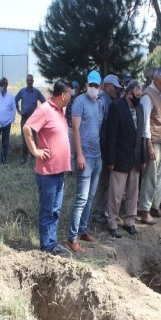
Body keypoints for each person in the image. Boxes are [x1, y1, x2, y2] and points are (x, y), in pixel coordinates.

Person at [23, 80, 73, 255]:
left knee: (55, 210)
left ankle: (52, 243)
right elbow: (27, 128)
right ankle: (46, 246)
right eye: (70, 94)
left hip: (59, 171)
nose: (71, 97)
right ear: (63, 95)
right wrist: (35, 150)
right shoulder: (45, 109)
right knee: (47, 210)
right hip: (47, 172)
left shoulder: (59, 111)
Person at [66, 70, 104, 253]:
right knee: (81, 198)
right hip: (85, 157)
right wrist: (79, 155)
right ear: (86, 84)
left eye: (97, 85)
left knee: (90, 197)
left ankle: (83, 231)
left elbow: (98, 129)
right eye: (91, 85)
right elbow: (75, 129)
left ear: (100, 86)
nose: (94, 88)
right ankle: (71, 238)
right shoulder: (79, 102)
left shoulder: (99, 103)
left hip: (97, 156)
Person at [105, 80, 146, 237]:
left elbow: (141, 135)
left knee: (133, 193)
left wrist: (142, 157)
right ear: (128, 94)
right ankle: (113, 223)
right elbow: (111, 136)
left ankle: (130, 221)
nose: (138, 98)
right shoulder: (116, 107)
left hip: (135, 159)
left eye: (140, 95)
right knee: (116, 194)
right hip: (120, 158)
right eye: (136, 95)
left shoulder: (140, 108)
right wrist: (110, 160)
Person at [138, 67, 161, 224]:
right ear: (156, 80)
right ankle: (144, 210)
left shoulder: (160, 95)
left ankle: (154, 207)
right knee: (150, 177)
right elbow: (145, 124)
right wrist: (149, 145)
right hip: (152, 142)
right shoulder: (147, 97)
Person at [91, 74, 123, 225]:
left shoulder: (109, 101)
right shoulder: (102, 102)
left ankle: (101, 211)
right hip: (102, 149)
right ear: (108, 86)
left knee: (106, 181)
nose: (117, 90)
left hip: (105, 149)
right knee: (102, 181)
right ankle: (97, 213)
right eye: (115, 87)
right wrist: (103, 150)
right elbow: (100, 127)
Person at [15, 74, 46, 164]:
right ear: (26, 81)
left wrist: (39, 113)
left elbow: (44, 102)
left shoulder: (36, 92)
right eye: (27, 80)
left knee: (33, 138)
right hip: (24, 119)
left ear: (33, 81)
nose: (29, 82)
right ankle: (23, 158)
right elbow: (15, 100)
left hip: (34, 119)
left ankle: (33, 156)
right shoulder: (22, 91)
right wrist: (18, 111)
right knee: (24, 138)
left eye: (30, 80)